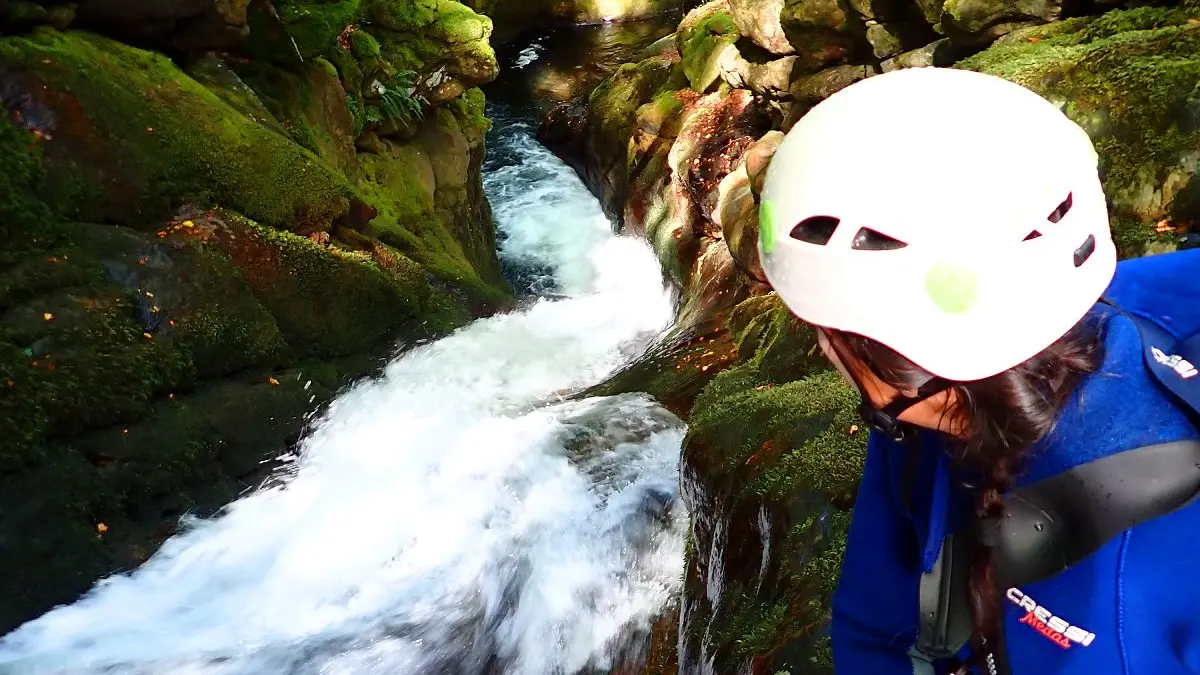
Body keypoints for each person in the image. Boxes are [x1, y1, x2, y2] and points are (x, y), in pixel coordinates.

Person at [756, 66, 1200, 675]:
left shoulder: (1113, 600)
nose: (820, 349)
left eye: (819, 332)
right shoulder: (955, 382)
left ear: (881, 357)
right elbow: (875, 616)